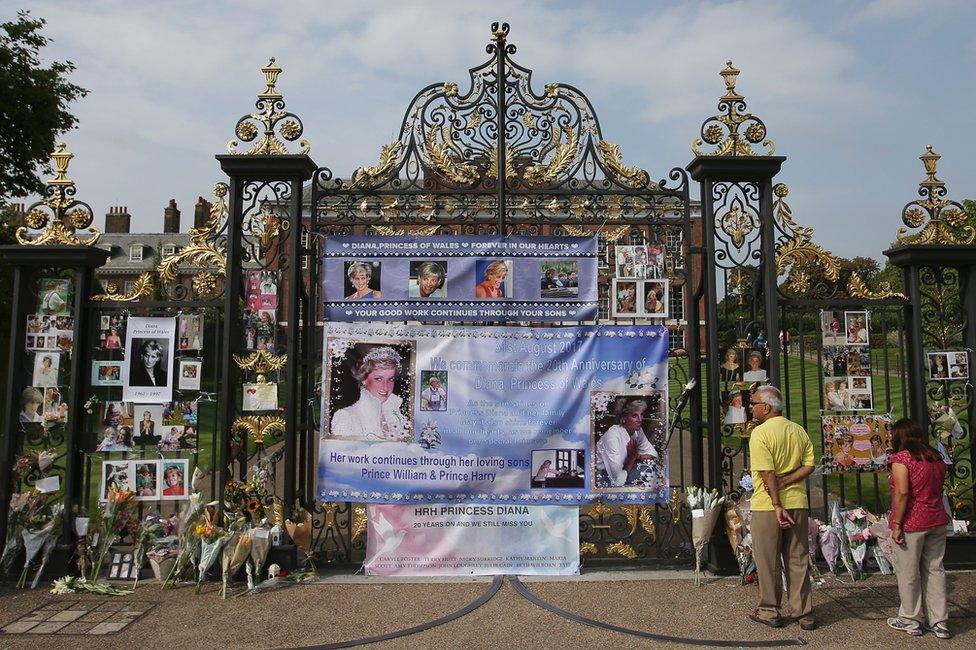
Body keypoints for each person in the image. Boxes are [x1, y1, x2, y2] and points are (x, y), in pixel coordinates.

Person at [747, 386, 816, 629]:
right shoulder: (797, 430)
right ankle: (803, 612)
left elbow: (767, 472)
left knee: (768, 561)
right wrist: (788, 481)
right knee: (798, 558)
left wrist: (777, 503)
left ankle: (769, 609)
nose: (750, 407)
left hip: (768, 506)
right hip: (797, 501)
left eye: (753, 402)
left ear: (766, 407)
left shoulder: (760, 433)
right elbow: (809, 465)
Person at [885, 418, 951, 639]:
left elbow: (903, 492)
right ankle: (939, 620)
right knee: (935, 569)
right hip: (936, 517)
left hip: (912, 521)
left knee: (908, 571)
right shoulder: (936, 458)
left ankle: (911, 618)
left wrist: (896, 524)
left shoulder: (902, 459)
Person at [330, 346, 411, 441]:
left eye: (390, 379)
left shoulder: (396, 414)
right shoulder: (346, 416)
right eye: (378, 379)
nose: (386, 387)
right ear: (364, 379)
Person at [595, 399, 659, 487]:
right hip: (602, 476)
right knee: (648, 472)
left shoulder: (637, 431)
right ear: (624, 418)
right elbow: (618, 481)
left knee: (653, 468)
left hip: (624, 471)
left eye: (641, 415)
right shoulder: (612, 437)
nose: (640, 419)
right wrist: (632, 458)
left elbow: (653, 454)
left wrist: (637, 456)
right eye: (634, 416)